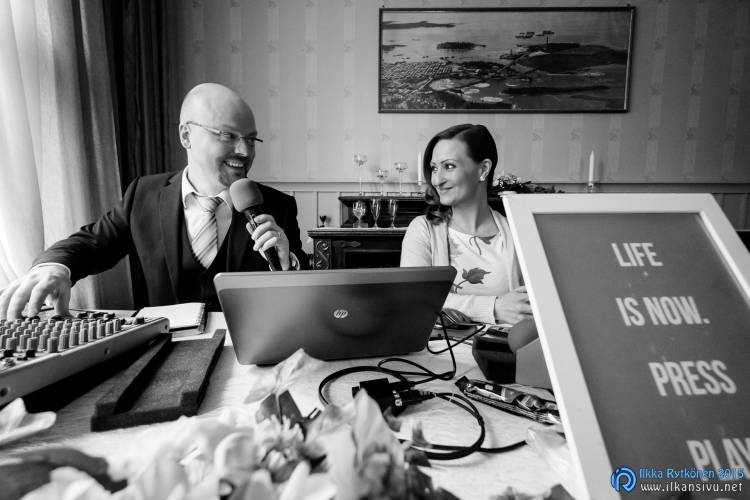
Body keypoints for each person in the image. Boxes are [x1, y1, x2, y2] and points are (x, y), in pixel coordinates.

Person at [0, 83, 307, 319]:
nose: (244, 151)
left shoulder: (278, 207)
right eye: (228, 135)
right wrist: (55, 267)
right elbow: (92, 243)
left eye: (251, 139)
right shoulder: (143, 195)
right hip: (166, 357)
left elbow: (303, 300)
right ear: (186, 136)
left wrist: (287, 266)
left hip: (250, 361)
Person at [400, 124, 531, 325]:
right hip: (438, 345)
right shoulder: (423, 229)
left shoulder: (519, 233)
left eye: (449, 166)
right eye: (434, 168)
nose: (437, 180)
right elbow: (414, 299)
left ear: (483, 169)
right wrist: (494, 307)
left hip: (506, 344)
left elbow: (535, 304)